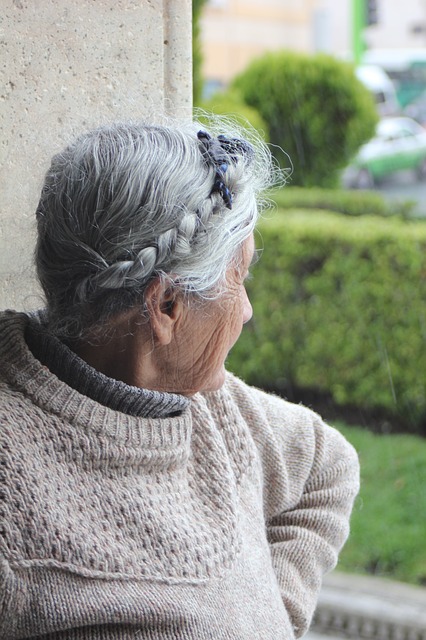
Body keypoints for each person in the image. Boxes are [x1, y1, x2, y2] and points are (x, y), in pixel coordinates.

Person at [0, 118, 359, 640]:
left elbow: (327, 467)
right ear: (166, 305)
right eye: (240, 279)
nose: (249, 310)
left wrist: (273, 615)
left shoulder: (210, 405)